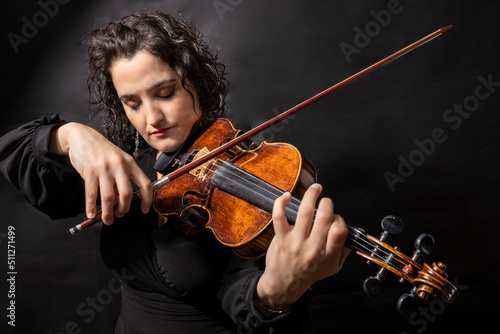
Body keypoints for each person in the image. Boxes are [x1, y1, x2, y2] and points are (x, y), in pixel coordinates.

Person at [0, 11, 349, 333]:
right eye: (132, 103)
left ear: (196, 82)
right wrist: (71, 136)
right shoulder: (124, 161)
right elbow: (12, 152)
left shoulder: (250, 175)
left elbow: (245, 295)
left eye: (165, 93)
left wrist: (276, 293)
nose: (151, 120)